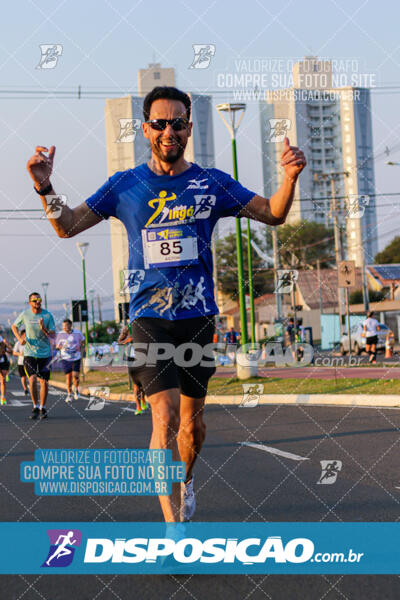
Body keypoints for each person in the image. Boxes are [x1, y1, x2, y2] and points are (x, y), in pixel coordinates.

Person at [26, 85, 306, 522]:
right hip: (149, 318)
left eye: (177, 122)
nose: (169, 130)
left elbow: (272, 213)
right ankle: (174, 527)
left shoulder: (211, 183)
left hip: (198, 318)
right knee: (166, 416)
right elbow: (68, 226)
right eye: (160, 123)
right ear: (145, 129)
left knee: (192, 428)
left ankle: (186, 480)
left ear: (189, 128)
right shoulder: (126, 184)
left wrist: (289, 179)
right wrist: (46, 187)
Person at [11, 293, 55, 420]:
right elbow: (14, 326)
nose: (37, 302)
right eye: (34, 300)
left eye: (39, 300)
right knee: (32, 379)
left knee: (44, 382)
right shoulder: (25, 314)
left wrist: (44, 328)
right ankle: (35, 406)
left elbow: (53, 334)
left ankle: (42, 407)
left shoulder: (47, 315)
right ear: (30, 302)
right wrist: (20, 339)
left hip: (45, 354)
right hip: (30, 353)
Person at [118, 325, 149, 415]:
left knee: (142, 385)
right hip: (131, 361)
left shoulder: (141, 328)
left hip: (142, 359)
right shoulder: (127, 329)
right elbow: (119, 342)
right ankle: (138, 407)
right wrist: (127, 340)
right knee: (136, 386)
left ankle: (143, 399)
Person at [55, 318, 85, 402]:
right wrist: (62, 347)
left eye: (67, 325)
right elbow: (57, 346)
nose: (65, 327)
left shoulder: (77, 333)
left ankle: (76, 390)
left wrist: (80, 345)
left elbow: (83, 341)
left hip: (76, 357)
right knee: (68, 377)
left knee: (75, 376)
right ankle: (69, 394)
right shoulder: (60, 334)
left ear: (71, 325)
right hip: (65, 358)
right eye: (64, 326)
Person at [12, 329, 29, 396]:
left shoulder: (29, 342)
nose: (26, 336)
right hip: (21, 363)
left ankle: (30, 386)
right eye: (25, 335)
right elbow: (14, 352)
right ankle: (25, 389)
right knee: (23, 377)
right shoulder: (18, 343)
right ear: (21, 335)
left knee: (30, 377)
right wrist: (20, 354)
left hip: (29, 362)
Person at [0, 336, 13, 405]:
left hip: (3, 361)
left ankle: (3, 398)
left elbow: (11, 351)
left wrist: (3, 351)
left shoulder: (1, 340)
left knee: (3, 380)